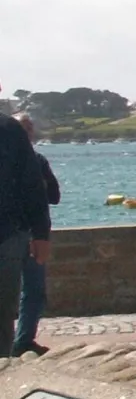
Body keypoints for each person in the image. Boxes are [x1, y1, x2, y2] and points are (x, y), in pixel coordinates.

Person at [0, 95, 50, 358]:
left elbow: (34, 186)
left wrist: (40, 234)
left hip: (7, 235)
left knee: (2, 311)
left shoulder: (9, 131)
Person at [12, 114, 58, 356]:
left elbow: (54, 196)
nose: (28, 132)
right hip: (11, 234)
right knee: (9, 291)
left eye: (30, 127)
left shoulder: (39, 161)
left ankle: (23, 341)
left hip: (34, 234)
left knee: (34, 291)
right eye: (23, 127)